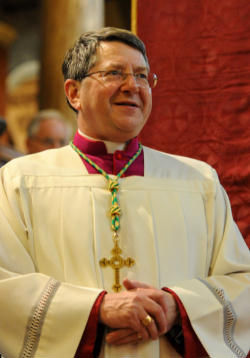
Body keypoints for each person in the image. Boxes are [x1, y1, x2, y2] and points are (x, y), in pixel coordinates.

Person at [0, 27, 249, 358]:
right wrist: (96, 309)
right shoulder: (21, 180)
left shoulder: (198, 181)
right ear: (74, 93)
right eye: (115, 73)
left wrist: (178, 307)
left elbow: (241, 283)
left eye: (143, 76)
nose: (133, 86)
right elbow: (5, 286)